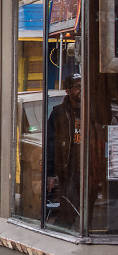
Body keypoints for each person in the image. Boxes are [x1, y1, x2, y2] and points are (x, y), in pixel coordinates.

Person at [46, 74, 81, 230]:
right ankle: (62, 231)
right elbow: (51, 144)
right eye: (77, 87)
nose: (81, 90)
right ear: (68, 90)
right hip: (67, 170)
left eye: (83, 86)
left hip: (86, 169)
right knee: (68, 206)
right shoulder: (58, 113)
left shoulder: (90, 110)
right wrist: (51, 173)